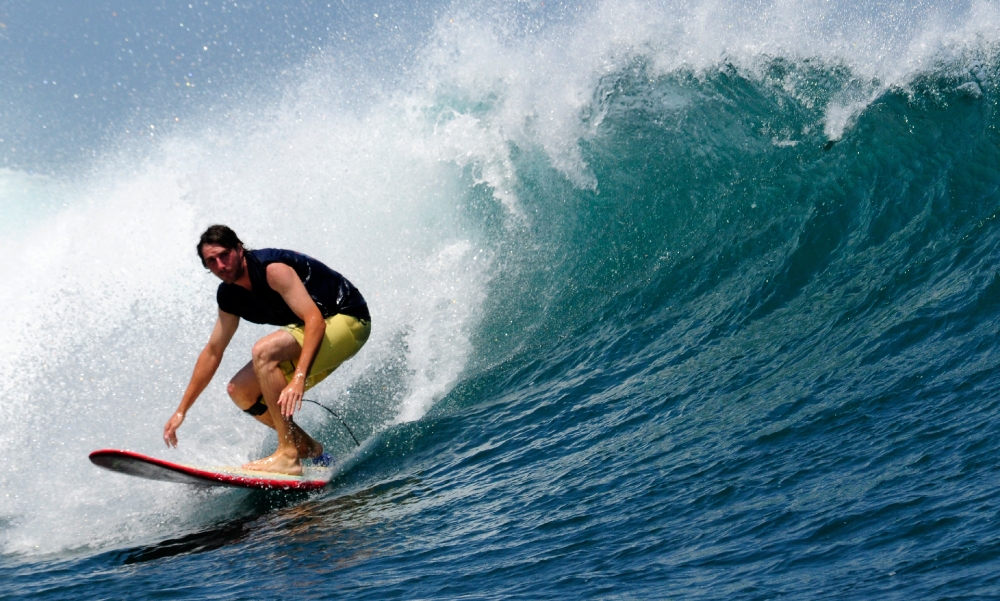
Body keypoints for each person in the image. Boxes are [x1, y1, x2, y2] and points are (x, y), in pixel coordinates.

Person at [162, 225, 371, 475]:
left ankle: (287, 454)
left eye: (224, 255)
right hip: (316, 329)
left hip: (349, 320)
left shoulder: (272, 269)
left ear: (239, 249)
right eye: (211, 261)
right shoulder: (229, 296)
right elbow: (212, 352)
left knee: (264, 351)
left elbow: (313, 319)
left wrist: (298, 378)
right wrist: (181, 411)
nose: (220, 264)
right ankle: (309, 449)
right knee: (240, 390)